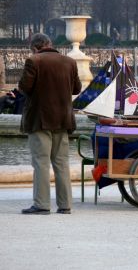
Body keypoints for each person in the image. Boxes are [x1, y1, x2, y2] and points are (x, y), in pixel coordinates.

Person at [19, 33, 82, 215]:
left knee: (41, 162)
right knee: (61, 163)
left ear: (35, 47)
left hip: (40, 119)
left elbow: (25, 87)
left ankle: (42, 204)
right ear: (50, 44)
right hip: (63, 119)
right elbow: (77, 89)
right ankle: (65, 205)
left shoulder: (34, 61)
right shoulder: (70, 62)